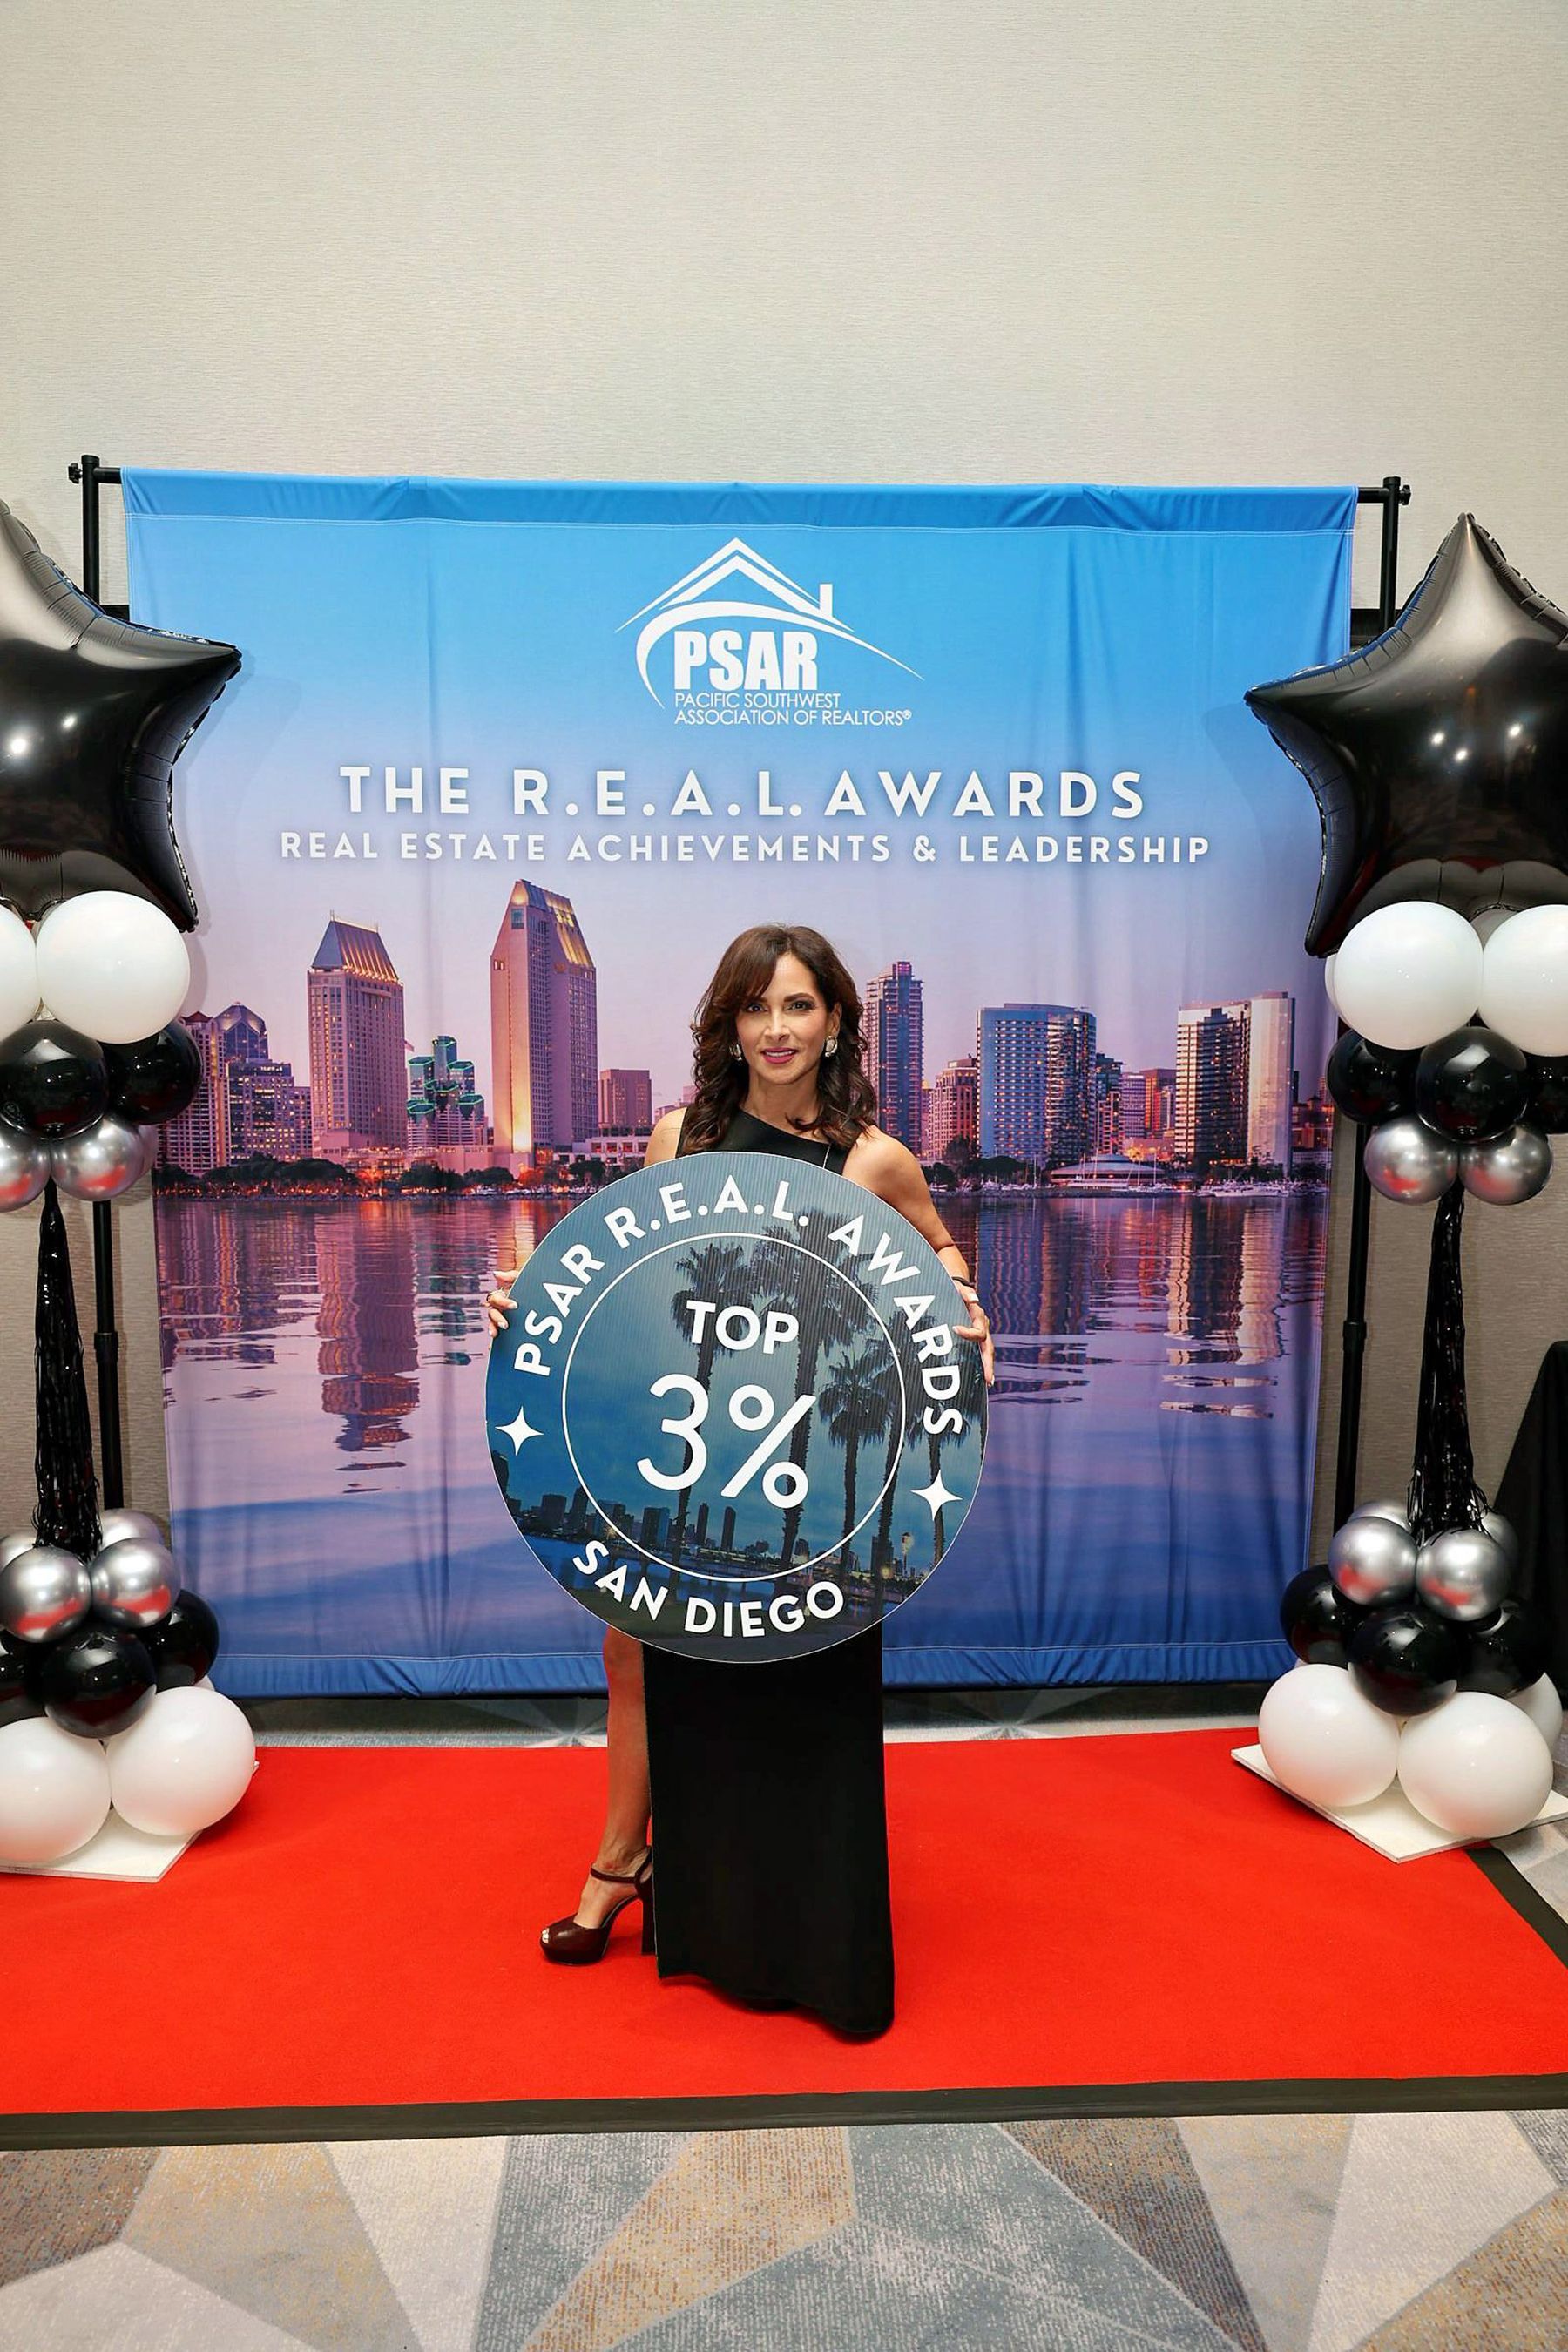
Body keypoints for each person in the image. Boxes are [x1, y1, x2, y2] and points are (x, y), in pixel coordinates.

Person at [486, 922, 992, 2035]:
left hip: (810, 1476)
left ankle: (802, 1938)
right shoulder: (682, 1138)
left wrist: (964, 1302)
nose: (777, 1028)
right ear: (728, 1024)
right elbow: (630, 1275)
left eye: (798, 1004)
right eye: (756, 1007)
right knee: (649, 1654)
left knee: (798, 1688)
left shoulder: (873, 1160)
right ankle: (632, 1867)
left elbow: (937, 1249)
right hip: (694, 1445)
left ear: (836, 1021)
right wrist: (536, 1303)